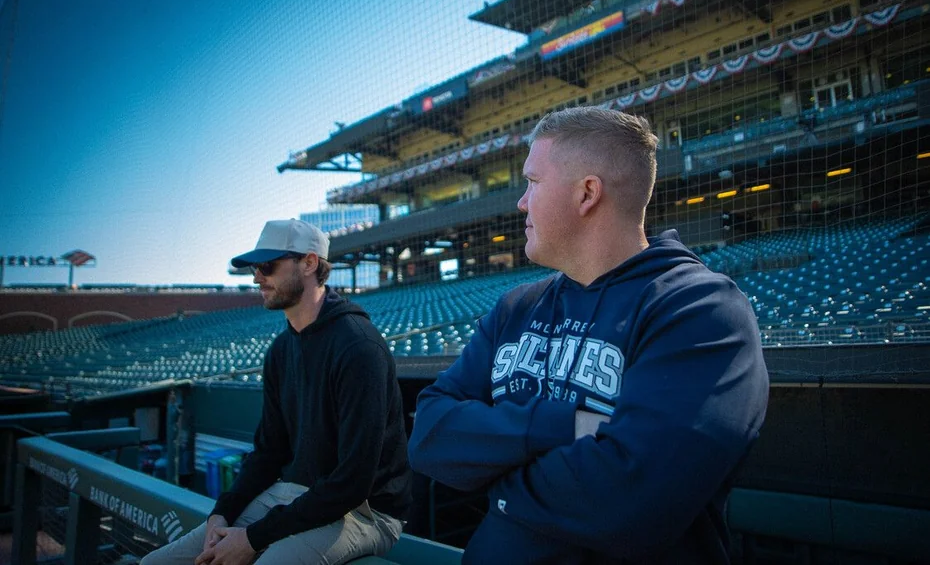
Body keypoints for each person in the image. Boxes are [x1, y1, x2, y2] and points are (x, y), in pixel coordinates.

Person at [407, 107, 769, 564]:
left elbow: (631, 503)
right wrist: (566, 425)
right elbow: (429, 434)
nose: (521, 202)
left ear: (587, 193)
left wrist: (497, 485)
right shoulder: (515, 308)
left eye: (533, 182)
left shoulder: (699, 309)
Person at [142, 219, 412, 565]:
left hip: (366, 512)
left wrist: (253, 539)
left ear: (310, 263)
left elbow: (352, 483)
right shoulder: (280, 351)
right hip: (297, 495)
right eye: (255, 268)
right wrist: (222, 513)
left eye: (268, 266)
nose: (257, 277)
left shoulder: (359, 347)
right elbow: (269, 452)